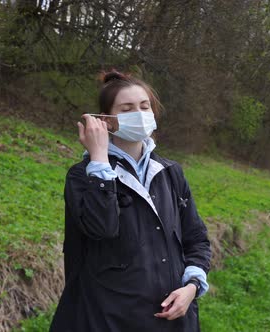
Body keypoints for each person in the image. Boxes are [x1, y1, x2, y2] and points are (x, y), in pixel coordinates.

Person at [50, 70, 211, 331]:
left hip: (173, 321)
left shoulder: (170, 172)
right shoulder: (83, 175)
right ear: (107, 121)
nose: (139, 114)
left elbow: (196, 238)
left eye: (144, 106)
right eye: (127, 108)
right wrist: (99, 161)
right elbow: (101, 228)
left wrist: (192, 287)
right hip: (108, 320)